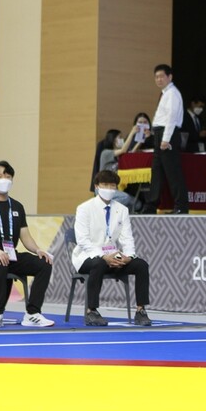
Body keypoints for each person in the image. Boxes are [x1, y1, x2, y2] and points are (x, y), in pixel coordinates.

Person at [0, 161, 55, 327]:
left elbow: (25, 237)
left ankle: (32, 313)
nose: (4, 179)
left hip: (10, 254)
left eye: (8, 176)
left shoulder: (17, 206)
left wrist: (38, 250)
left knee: (44, 264)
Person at [73, 170, 153, 326]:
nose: (109, 189)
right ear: (96, 186)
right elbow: (82, 240)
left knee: (141, 265)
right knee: (99, 263)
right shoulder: (84, 208)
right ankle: (92, 311)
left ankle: (141, 310)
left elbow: (127, 238)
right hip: (87, 256)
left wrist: (128, 256)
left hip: (113, 254)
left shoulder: (122, 210)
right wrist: (103, 257)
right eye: (105, 185)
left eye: (112, 186)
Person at [140, 64, 189, 214]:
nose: (159, 79)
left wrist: (165, 139)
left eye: (162, 76)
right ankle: (151, 205)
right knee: (157, 171)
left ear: (170, 77)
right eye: (156, 77)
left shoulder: (172, 93)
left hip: (168, 134)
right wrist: (154, 134)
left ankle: (181, 206)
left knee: (172, 171)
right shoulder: (165, 93)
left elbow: (171, 118)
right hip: (161, 134)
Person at [98, 128, 137, 211]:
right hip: (104, 189)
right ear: (113, 139)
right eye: (119, 137)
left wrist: (141, 141)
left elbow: (131, 153)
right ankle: (101, 208)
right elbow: (123, 150)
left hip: (114, 190)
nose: (122, 140)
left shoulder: (120, 156)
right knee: (125, 198)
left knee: (137, 204)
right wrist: (132, 132)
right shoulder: (106, 153)